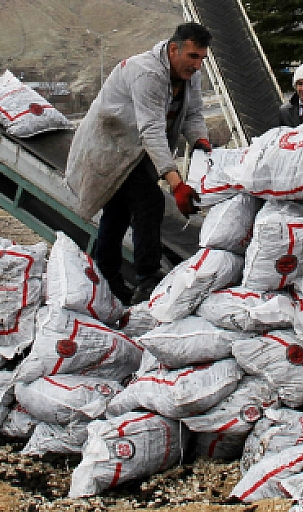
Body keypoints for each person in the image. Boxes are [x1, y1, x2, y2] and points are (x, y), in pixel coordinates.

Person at [65, 22, 213, 303]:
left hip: (136, 151)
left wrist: (201, 143)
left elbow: (193, 115)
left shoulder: (189, 75)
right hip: (113, 147)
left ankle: (106, 280)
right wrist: (176, 183)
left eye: (202, 58)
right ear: (174, 49)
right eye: (193, 56)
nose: (197, 65)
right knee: (150, 201)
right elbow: (151, 130)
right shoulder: (147, 73)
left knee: (117, 212)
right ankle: (147, 278)